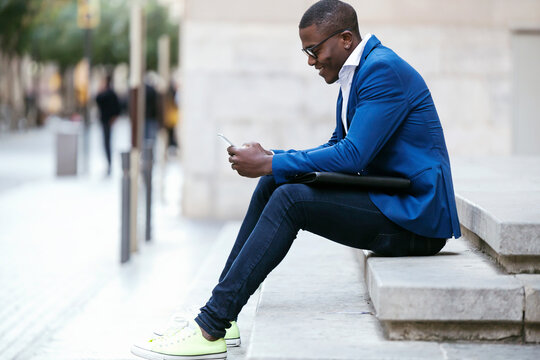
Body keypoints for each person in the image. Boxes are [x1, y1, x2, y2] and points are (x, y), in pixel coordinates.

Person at [131, 1, 461, 359]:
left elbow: (354, 156)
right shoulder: (360, 72)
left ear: (346, 39)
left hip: (416, 221)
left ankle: (210, 326)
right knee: (274, 183)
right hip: (391, 199)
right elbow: (339, 145)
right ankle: (222, 316)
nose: (310, 61)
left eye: (314, 49)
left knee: (291, 199)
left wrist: (273, 162)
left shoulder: (383, 71)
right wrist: (275, 160)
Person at [95, 75, 121, 176]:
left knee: (107, 143)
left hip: (107, 121)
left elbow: (98, 99)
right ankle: (109, 163)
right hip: (107, 120)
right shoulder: (111, 93)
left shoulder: (107, 94)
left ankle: (109, 164)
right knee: (107, 143)